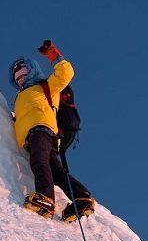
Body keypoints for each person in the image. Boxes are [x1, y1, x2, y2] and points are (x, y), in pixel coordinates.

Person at [9, 40, 95, 221]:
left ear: (32, 70)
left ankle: (46, 198)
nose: (20, 77)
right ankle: (81, 197)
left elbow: (66, 73)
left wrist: (52, 53)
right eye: (16, 76)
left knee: (39, 162)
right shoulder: (21, 96)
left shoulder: (46, 85)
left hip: (41, 130)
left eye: (23, 72)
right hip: (35, 135)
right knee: (56, 172)